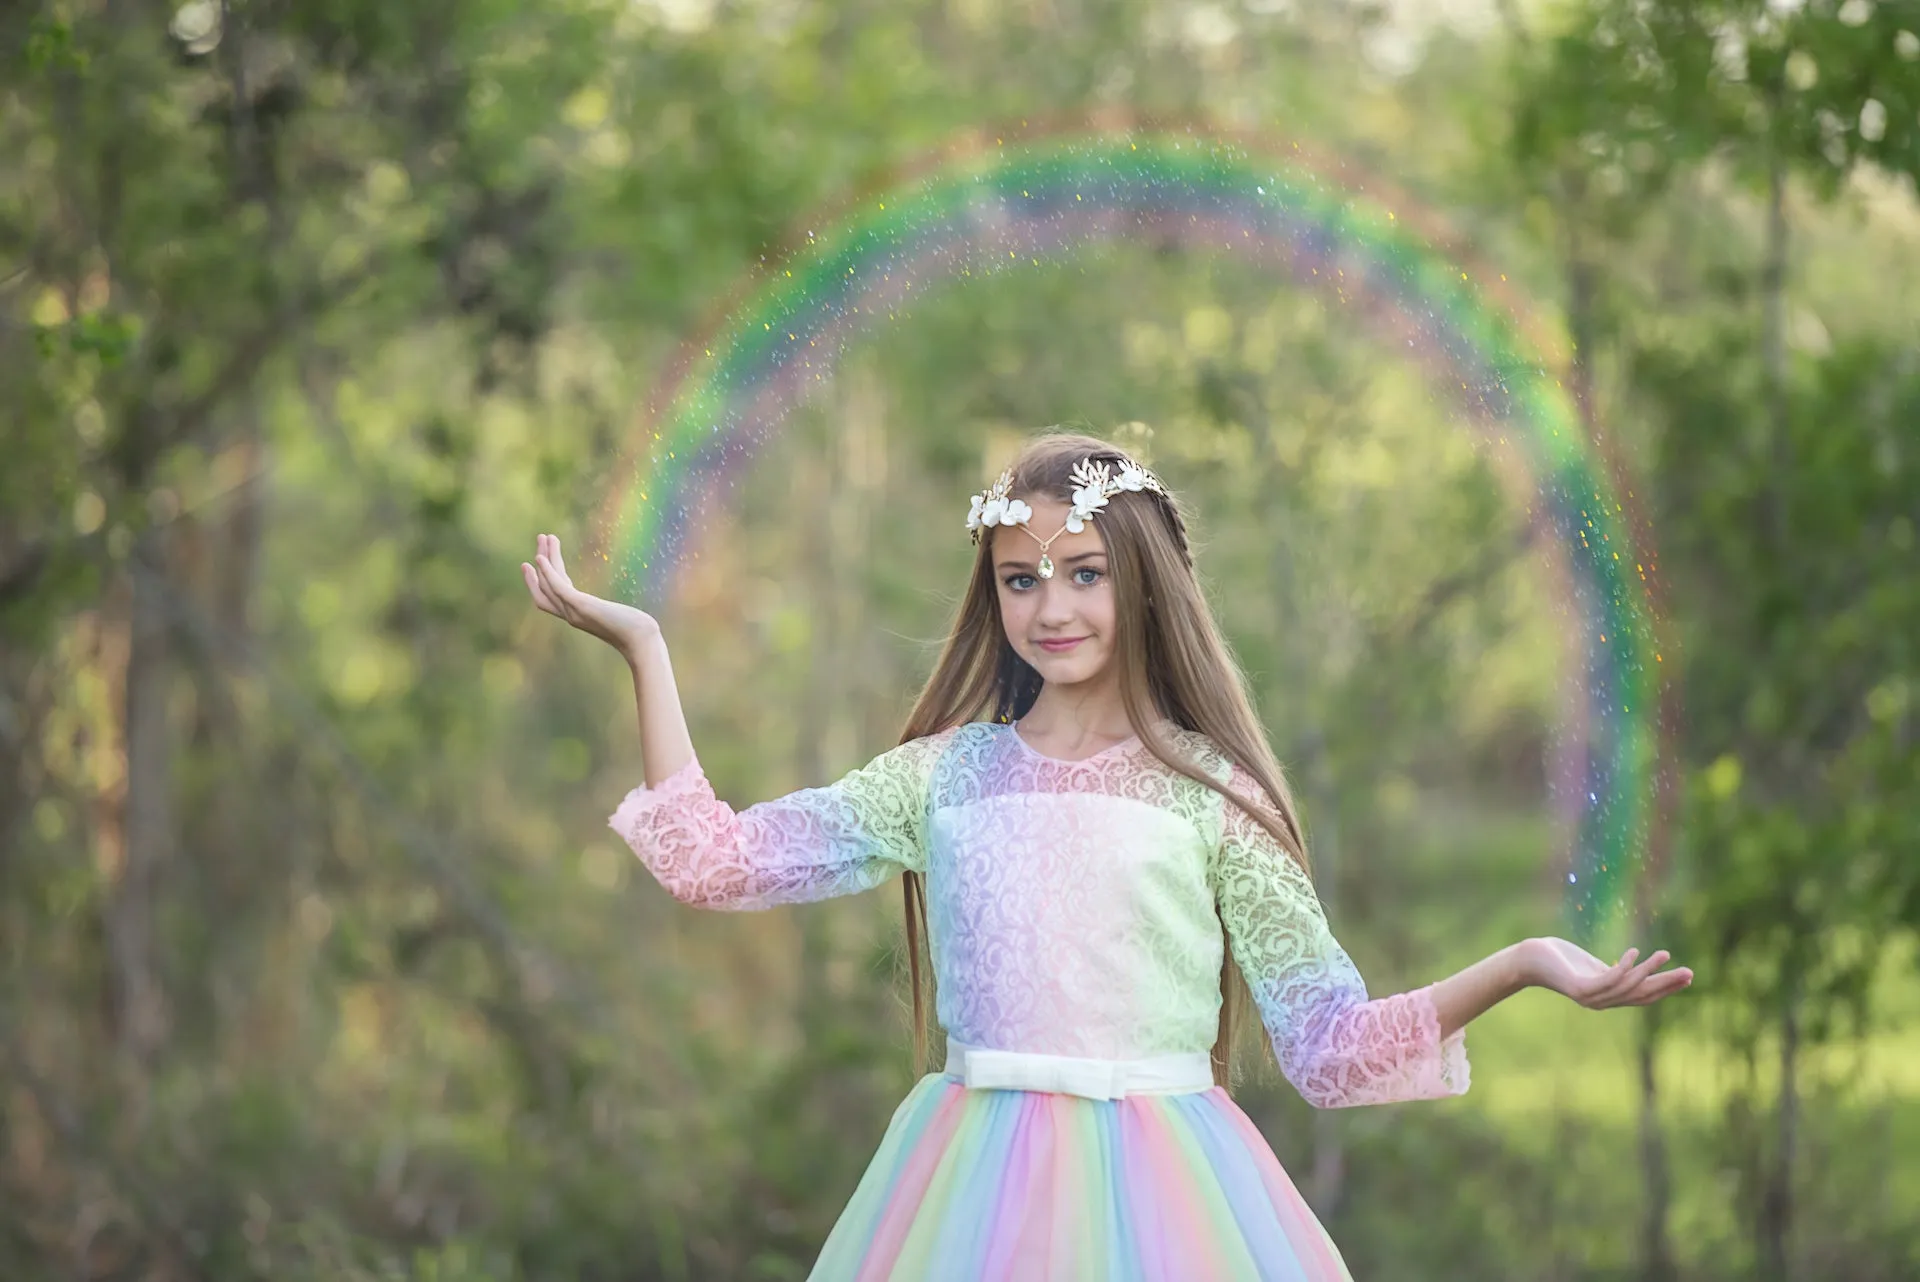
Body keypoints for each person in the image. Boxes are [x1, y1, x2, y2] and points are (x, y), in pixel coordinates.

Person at [522, 430, 1693, 1280]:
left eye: (1083, 573)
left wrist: (1532, 959)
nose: (1052, 605)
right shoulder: (942, 774)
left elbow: (1334, 1048)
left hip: (1173, 1205)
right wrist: (646, 646)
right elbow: (712, 864)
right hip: (963, 1204)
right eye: (1020, 579)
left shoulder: (1209, 794)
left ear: (1142, 581)